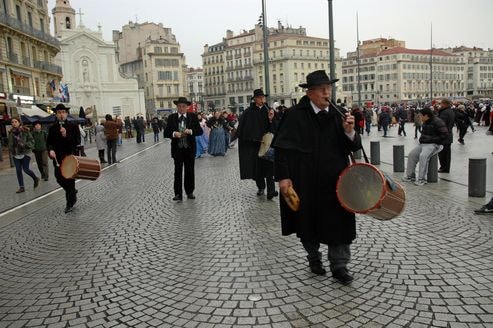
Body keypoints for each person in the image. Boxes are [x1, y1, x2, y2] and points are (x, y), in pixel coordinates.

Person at [272, 70, 362, 284]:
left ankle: (339, 266)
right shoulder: (294, 114)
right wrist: (283, 178)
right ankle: (314, 257)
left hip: (335, 180)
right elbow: (282, 149)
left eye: (329, 88)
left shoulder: (339, 113)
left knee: (338, 223)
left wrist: (349, 131)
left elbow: (353, 146)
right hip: (304, 179)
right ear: (310, 93)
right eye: (322, 89)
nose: (326, 92)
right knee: (307, 222)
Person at [163, 97, 203, 201]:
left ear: (187, 107)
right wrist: (174, 133)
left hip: (189, 149)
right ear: (177, 107)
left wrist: (190, 131)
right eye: (179, 106)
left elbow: (199, 131)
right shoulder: (171, 117)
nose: (181, 108)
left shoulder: (192, 117)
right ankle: (178, 194)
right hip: (177, 149)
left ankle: (190, 192)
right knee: (178, 171)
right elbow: (166, 133)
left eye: (183, 106)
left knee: (190, 171)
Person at [236, 89, 272, 197]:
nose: (262, 99)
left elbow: (275, 125)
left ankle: (271, 190)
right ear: (255, 99)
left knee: (269, 166)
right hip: (255, 144)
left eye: (263, 97)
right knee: (258, 168)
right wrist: (253, 138)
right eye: (260, 97)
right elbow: (244, 128)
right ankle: (261, 187)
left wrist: (271, 119)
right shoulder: (248, 112)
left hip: (267, 143)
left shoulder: (269, 110)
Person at [47, 104, 81, 213]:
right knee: (59, 178)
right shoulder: (52, 128)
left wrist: (66, 135)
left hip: (70, 157)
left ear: (66, 113)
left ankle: (69, 203)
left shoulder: (73, 126)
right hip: (58, 158)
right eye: (59, 113)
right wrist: (50, 150)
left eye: (63, 112)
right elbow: (49, 142)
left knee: (69, 180)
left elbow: (77, 141)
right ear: (56, 114)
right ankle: (72, 192)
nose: (61, 114)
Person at [402, 108, 448, 186]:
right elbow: (423, 134)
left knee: (423, 156)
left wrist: (431, 140)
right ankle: (410, 176)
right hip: (423, 144)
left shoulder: (438, 122)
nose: (420, 118)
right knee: (411, 155)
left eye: (421, 116)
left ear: (426, 116)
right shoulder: (425, 122)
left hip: (434, 144)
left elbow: (444, 135)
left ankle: (422, 179)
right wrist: (422, 140)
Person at [8, 117, 40, 193]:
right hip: (16, 154)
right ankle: (21, 187)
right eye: (12, 122)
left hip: (25, 152)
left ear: (19, 122)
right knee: (18, 170)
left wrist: (25, 145)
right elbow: (10, 143)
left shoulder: (25, 131)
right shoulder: (11, 132)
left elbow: (31, 140)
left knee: (26, 169)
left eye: (15, 122)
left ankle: (35, 178)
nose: (14, 123)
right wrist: (11, 149)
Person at [437, 98, 455, 173]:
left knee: (442, 153)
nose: (440, 105)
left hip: (444, 135)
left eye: (441, 103)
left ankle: (444, 168)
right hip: (449, 134)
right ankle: (445, 168)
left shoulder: (444, 112)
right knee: (447, 153)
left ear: (444, 104)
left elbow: (441, 124)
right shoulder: (451, 111)